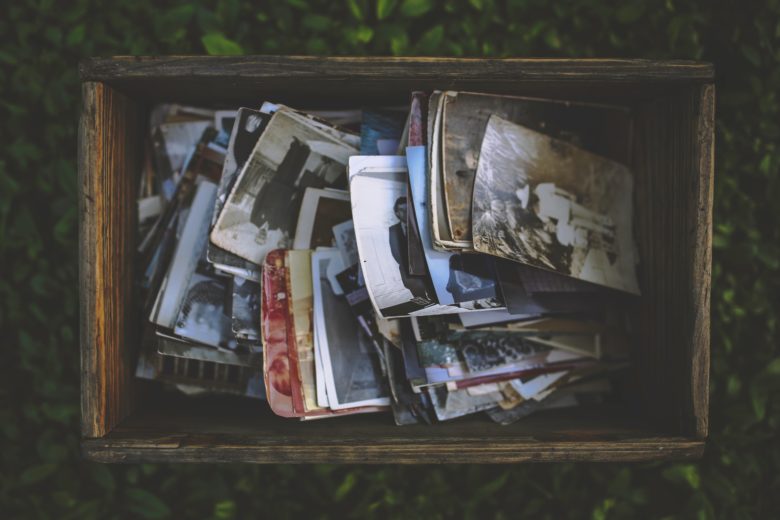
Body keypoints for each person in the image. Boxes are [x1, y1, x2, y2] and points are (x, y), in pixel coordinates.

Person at [388, 197, 431, 301]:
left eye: (407, 209)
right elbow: (395, 253)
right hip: (409, 272)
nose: (405, 212)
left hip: (427, 269)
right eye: (401, 210)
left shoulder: (419, 224)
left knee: (435, 296)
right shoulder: (393, 230)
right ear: (397, 213)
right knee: (421, 300)